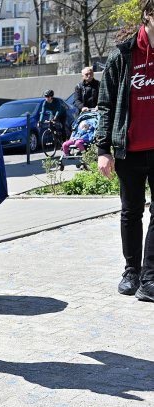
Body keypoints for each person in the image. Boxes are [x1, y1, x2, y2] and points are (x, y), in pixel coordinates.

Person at [97, 2, 154, 302]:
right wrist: (103, 149)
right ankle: (131, 271)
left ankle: (150, 276)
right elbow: (105, 105)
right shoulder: (122, 55)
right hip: (128, 150)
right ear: (148, 15)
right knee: (131, 212)